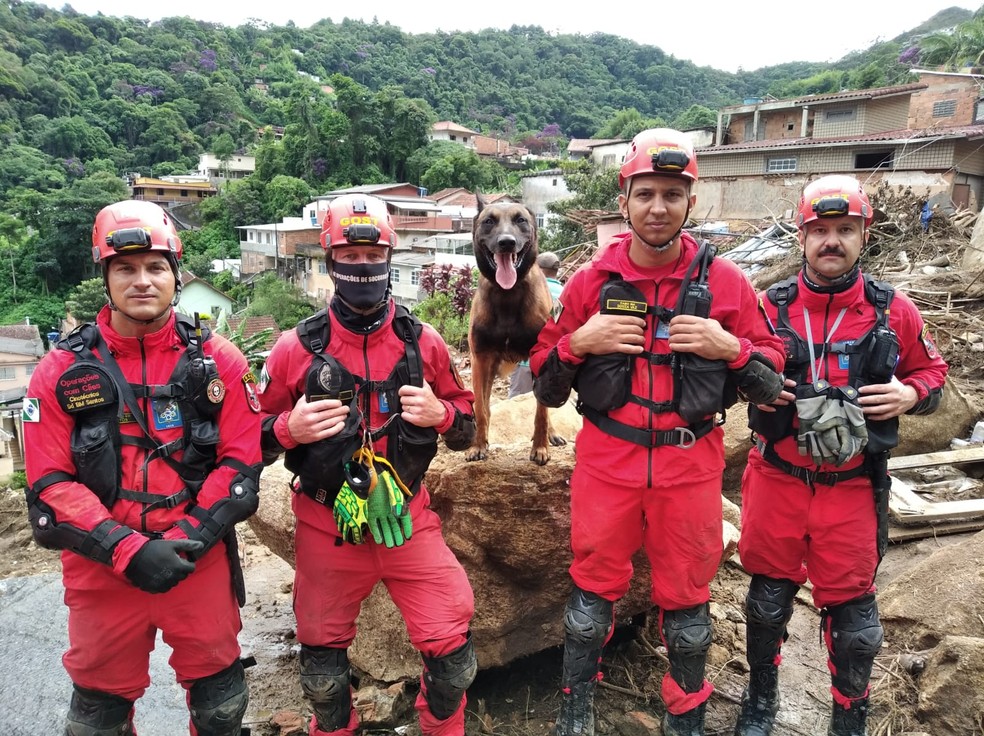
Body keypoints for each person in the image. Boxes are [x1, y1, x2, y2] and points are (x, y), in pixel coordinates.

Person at [530, 128, 786, 736]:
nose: (658, 207)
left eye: (673, 194)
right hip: (606, 460)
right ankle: (575, 708)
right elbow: (542, 381)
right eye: (646, 193)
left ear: (690, 202)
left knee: (689, 608)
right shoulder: (592, 281)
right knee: (590, 605)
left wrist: (732, 349)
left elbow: (773, 373)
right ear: (625, 199)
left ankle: (686, 713)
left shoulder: (724, 282)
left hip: (690, 464)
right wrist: (577, 343)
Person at [23, 199, 263, 735]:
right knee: (95, 721)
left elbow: (241, 464)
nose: (142, 281)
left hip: (195, 562)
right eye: (125, 269)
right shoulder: (62, 370)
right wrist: (127, 549)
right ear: (104, 276)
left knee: (221, 707)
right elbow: (48, 483)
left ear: (176, 275)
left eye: (156, 267)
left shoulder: (218, 361)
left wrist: (190, 536)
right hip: (101, 569)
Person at [257, 194, 478, 736]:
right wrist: (290, 428)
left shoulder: (422, 342)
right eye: (348, 257)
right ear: (330, 260)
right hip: (326, 523)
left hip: (408, 521)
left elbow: (468, 425)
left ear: (389, 256)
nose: (362, 267)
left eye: (372, 255)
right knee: (324, 681)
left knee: (455, 663)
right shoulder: (293, 349)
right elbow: (249, 440)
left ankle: (439, 727)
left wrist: (443, 413)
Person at [735, 175, 948, 736]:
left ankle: (848, 718)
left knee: (855, 622)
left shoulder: (893, 311)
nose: (832, 241)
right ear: (801, 236)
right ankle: (760, 704)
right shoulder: (767, 306)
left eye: (845, 230)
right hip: (777, 474)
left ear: (864, 234)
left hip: (853, 485)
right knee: (766, 603)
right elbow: (731, 369)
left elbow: (934, 374)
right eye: (821, 230)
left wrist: (911, 393)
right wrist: (755, 383)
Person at [508, 250, 564, 398]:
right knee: (545, 405)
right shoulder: (565, 293)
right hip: (553, 362)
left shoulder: (526, 291)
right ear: (556, 270)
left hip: (524, 361)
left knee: (517, 404)